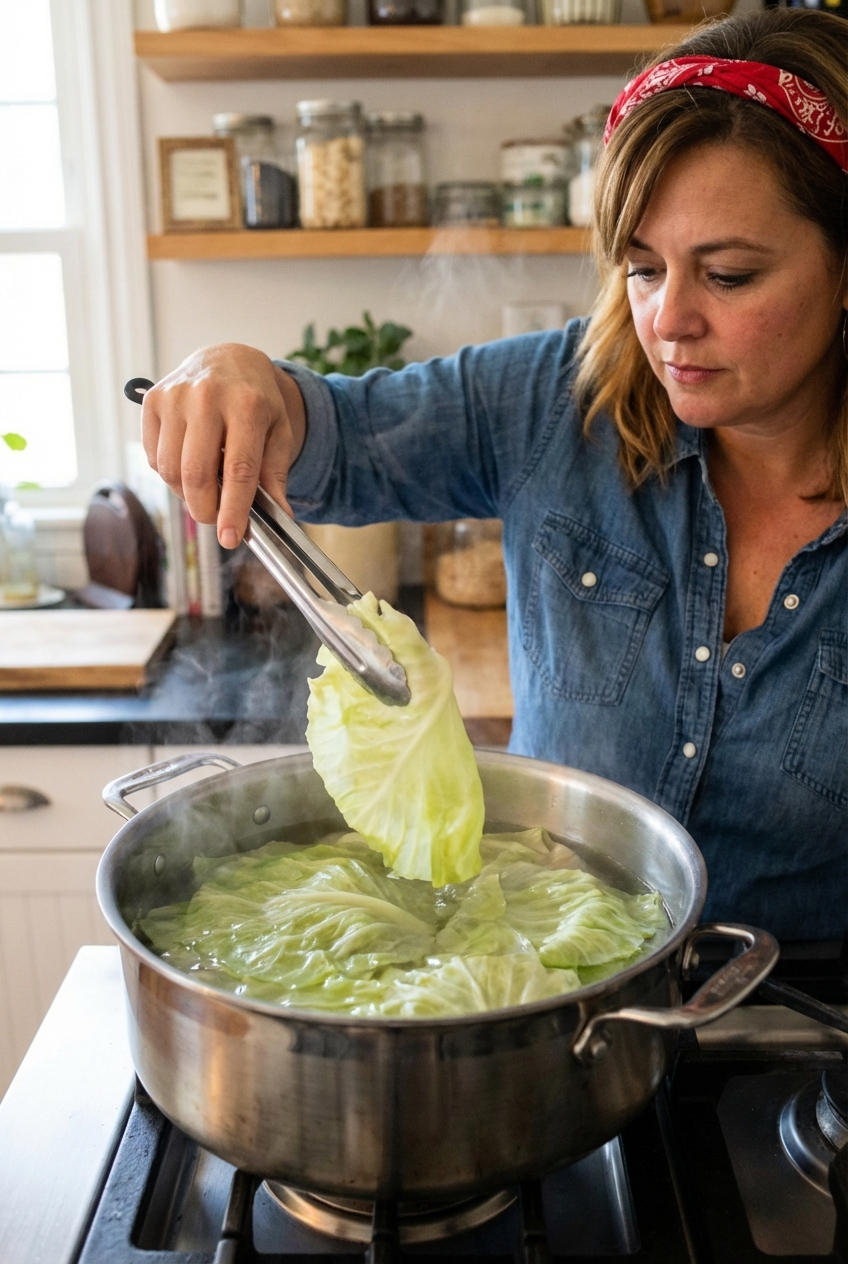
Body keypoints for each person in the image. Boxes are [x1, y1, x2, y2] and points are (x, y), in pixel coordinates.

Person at [140, 9, 847, 942]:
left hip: (804, 1049)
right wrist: (243, 381)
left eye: (729, 276)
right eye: (641, 268)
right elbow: (339, 439)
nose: (668, 320)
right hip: (544, 1012)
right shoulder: (557, 401)